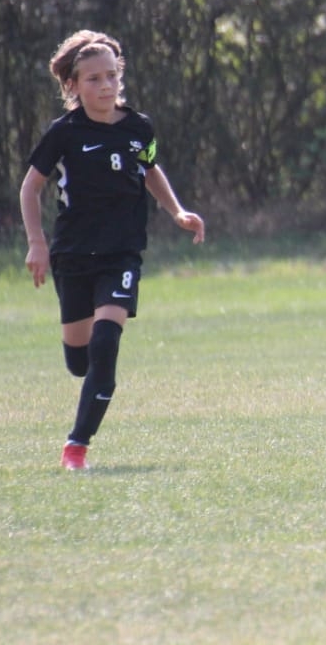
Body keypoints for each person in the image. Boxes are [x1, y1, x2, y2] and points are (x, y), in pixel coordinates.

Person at [19, 30, 206, 471]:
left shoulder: (139, 127)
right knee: (79, 363)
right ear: (73, 85)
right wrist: (37, 243)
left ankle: (76, 447)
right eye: (93, 79)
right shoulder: (63, 134)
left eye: (111, 76)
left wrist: (177, 211)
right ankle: (85, 387)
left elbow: (149, 168)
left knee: (105, 345)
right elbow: (30, 188)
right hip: (72, 256)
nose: (105, 86)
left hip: (122, 254)